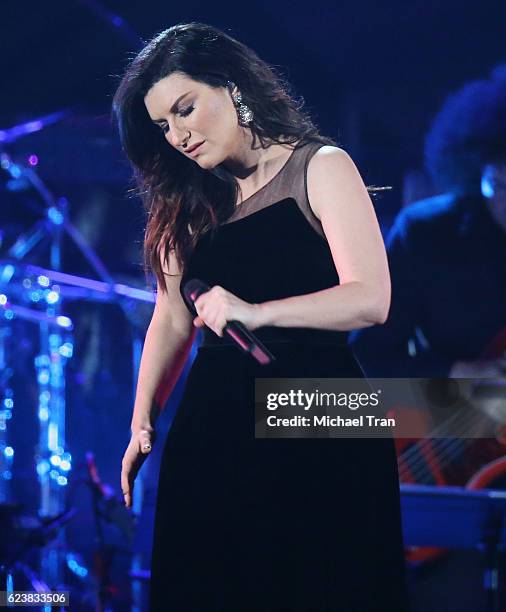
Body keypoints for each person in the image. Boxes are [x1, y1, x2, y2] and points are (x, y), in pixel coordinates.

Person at [112, 22, 409, 611]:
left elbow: (370, 298)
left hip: (320, 402)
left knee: (323, 580)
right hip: (216, 413)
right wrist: (142, 417)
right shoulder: (185, 203)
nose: (178, 135)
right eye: (163, 126)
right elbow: (170, 318)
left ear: (231, 85)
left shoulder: (320, 166)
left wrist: (257, 312)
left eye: (186, 108)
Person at [350, 65, 506, 379]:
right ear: (481, 170)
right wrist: (460, 373)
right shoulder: (426, 232)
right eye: (501, 184)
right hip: (464, 413)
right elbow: (369, 356)